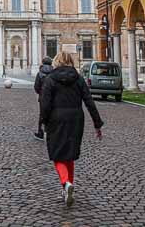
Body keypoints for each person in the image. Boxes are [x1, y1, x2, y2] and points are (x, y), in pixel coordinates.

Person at [41, 51, 104, 207]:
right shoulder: (78, 79)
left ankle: (66, 183)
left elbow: (45, 104)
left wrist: (44, 122)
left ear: (56, 62)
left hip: (57, 118)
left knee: (57, 154)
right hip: (76, 118)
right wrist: (97, 124)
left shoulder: (50, 79)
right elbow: (89, 101)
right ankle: (68, 187)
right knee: (69, 153)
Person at [33, 56, 54, 140]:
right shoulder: (54, 72)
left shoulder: (40, 73)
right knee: (52, 114)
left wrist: (41, 93)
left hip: (43, 97)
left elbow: (36, 87)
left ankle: (40, 133)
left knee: (42, 115)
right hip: (53, 97)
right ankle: (52, 132)